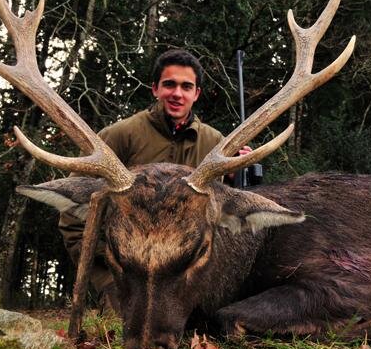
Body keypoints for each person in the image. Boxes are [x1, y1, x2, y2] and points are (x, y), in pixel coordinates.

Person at [58, 48, 250, 312]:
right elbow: (71, 212)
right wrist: (110, 275)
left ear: (196, 94)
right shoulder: (119, 136)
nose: (177, 93)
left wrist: (233, 177)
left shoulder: (215, 143)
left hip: (182, 283)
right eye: (169, 84)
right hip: (125, 279)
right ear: (155, 89)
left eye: (186, 86)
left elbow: (222, 224)